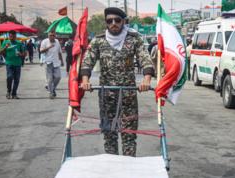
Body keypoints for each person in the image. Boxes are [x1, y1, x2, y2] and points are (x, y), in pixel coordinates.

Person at [80, 7, 155, 157]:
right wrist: (85, 81)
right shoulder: (99, 41)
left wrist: (146, 81)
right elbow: (87, 62)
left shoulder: (133, 40)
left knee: (129, 133)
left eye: (117, 20)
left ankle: (128, 167)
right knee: (109, 133)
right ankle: (111, 166)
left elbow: (146, 61)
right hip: (106, 95)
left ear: (123, 22)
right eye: (110, 21)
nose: (113, 23)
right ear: (106, 23)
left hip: (128, 94)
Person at [0, 30, 25, 99]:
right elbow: (0, 52)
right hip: (9, 63)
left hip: (17, 63)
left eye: (13, 36)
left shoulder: (19, 43)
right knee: (10, 76)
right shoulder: (5, 43)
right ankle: (8, 91)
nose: (12, 38)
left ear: (16, 36)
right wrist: (5, 47)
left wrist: (20, 54)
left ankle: (14, 94)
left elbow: (24, 53)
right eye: (11, 36)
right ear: (9, 36)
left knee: (16, 79)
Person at [40, 31, 64, 99]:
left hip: (56, 62)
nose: (52, 37)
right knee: (49, 79)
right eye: (51, 35)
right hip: (48, 62)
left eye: (53, 35)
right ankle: (50, 93)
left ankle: (53, 88)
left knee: (58, 77)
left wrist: (61, 61)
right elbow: (41, 51)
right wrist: (48, 47)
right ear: (48, 35)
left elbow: (59, 52)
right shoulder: (44, 42)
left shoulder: (57, 42)